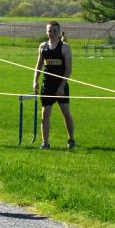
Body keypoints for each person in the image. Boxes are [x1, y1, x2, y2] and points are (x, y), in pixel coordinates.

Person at [33, 21, 75, 149]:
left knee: (66, 113)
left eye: (54, 31)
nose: (51, 33)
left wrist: (62, 86)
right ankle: (45, 143)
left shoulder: (65, 47)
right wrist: (35, 80)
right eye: (49, 31)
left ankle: (71, 139)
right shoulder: (42, 46)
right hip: (47, 85)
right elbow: (39, 65)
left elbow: (68, 69)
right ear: (46, 32)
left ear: (58, 31)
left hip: (60, 85)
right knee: (45, 114)